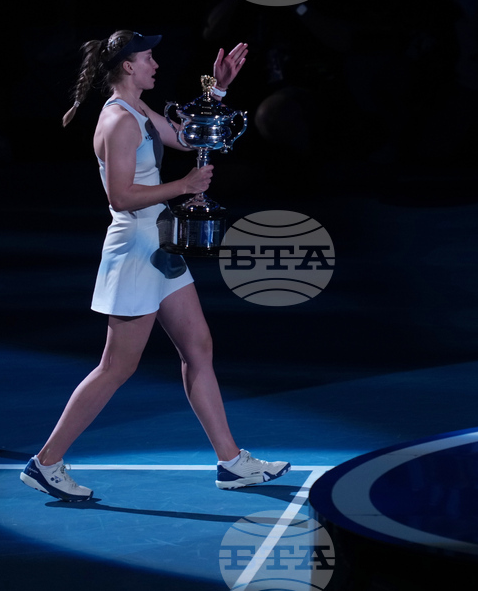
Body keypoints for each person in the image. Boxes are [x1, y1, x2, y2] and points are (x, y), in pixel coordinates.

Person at [20, 30, 289, 501]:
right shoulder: (119, 122)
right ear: (127, 66)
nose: (155, 66)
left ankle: (231, 462)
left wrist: (219, 89)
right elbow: (121, 197)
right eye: (148, 58)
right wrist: (183, 187)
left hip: (160, 246)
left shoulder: (138, 109)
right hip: (135, 250)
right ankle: (46, 462)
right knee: (115, 367)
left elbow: (186, 139)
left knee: (198, 346)